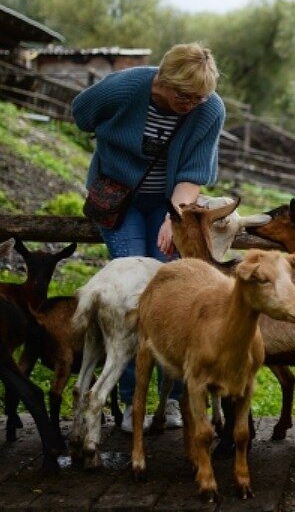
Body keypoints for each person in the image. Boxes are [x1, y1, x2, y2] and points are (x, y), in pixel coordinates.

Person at [72, 43, 226, 433]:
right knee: (130, 298)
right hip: (118, 199)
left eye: (199, 97)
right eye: (183, 95)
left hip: (167, 201)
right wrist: (110, 138)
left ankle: (170, 402)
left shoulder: (209, 110)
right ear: (162, 79)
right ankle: (130, 402)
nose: (191, 103)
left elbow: (193, 170)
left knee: (168, 292)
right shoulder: (126, 88)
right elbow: (81, 113)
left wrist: (174, 219)